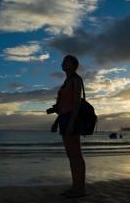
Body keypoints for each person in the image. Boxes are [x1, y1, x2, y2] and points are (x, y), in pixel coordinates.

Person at [50, 55, 86, 198]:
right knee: (70, 155)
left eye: (68, 61)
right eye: (63, 61)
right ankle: (74, 186)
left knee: (76, 154)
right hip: (64, 118)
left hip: (73, 118)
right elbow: (63, 106)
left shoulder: (76, 80)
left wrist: (71, 122)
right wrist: (56, 122)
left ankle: (81, 188)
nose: (64, 63)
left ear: (75, 65)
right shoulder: (66, 82)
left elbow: (76, 103)